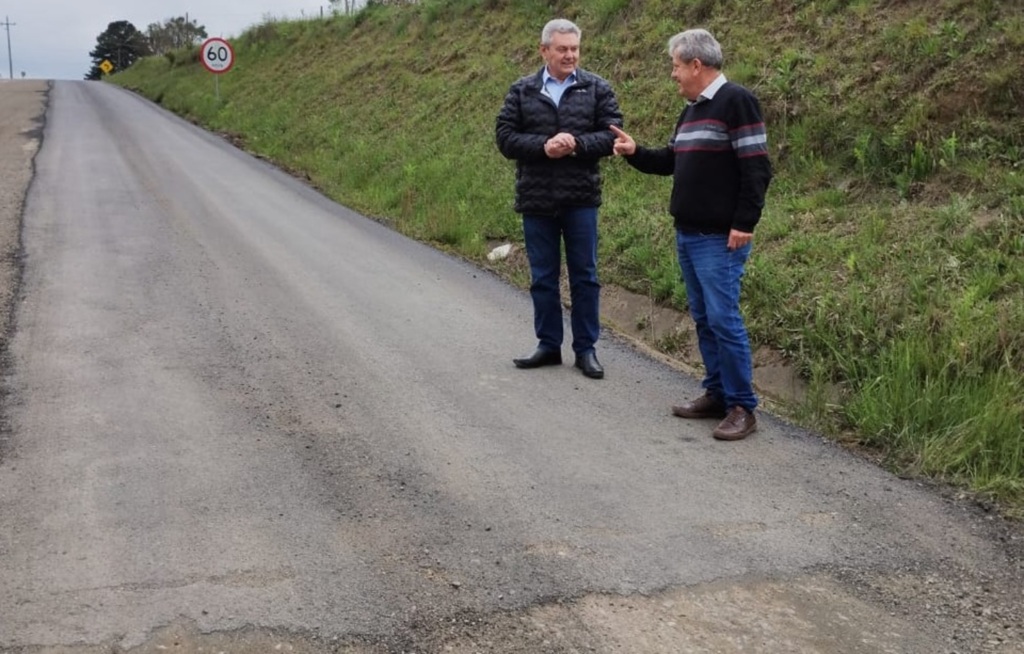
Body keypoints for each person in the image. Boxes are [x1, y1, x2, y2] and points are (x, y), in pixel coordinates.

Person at [610, 28, 771, 440]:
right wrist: (635, 153)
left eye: (676, 66)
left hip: (720, 238)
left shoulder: (737, 101)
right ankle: (717, 393)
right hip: (688, 234)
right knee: (703, 318)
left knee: (723, 318)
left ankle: (741, 406)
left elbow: (756, 168)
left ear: (696, 65)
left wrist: (744, 223)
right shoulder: (692, 111)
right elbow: (671, 161)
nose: (673, 74)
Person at [496, 18, 623, 380]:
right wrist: (543, 147)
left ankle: (586, 349)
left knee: (585, 276)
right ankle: (549, 345)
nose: (570, 55)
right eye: (562, 49)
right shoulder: (521, 90)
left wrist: (576, 144)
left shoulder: (597, 88)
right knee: (542, 277)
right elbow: (505, 138)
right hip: (536, 199)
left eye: (575, 49)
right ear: (544, 50)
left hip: (581, 198)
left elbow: (612, 134)